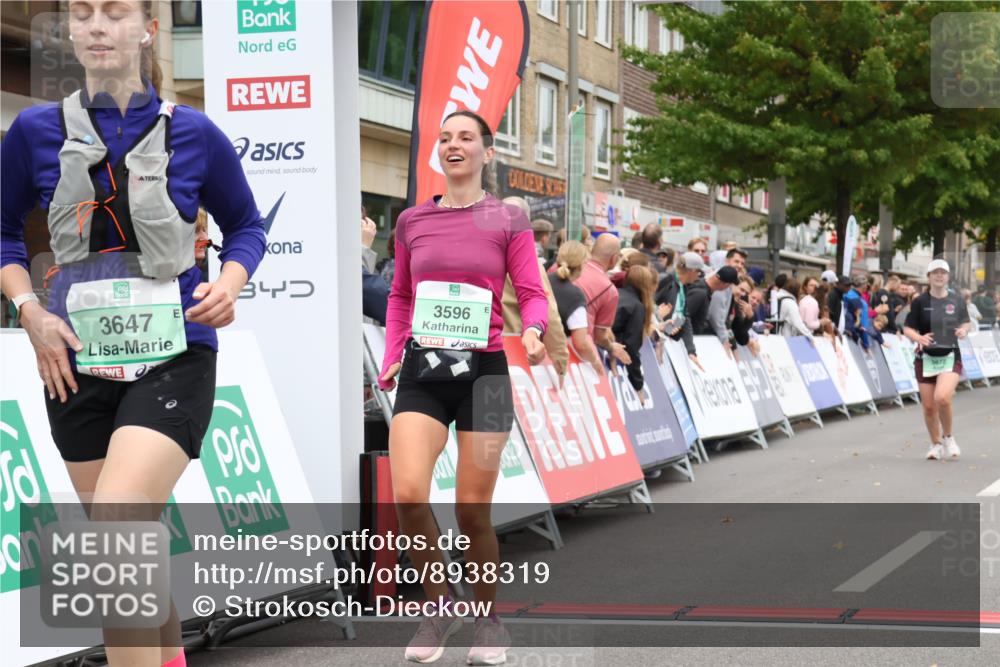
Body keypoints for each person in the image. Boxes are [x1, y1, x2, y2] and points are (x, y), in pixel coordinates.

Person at [0, 2, 267, 665]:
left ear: (147, 28)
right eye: (83, 13)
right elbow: (4, 232)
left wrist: (228, 284)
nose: (96, 26)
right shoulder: (32, 130)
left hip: (174, 355)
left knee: (116, 532)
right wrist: (29, 310)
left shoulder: (195, 133)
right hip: (73, 360)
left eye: (114, 13)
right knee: (130, 548)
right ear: (68, 31)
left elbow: (247, 226)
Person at [376, 110, 547, 664]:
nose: (453, 144)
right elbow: (400, 295)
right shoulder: (411, 222)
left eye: (465, 137)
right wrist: (392, 355)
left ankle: (489, 623)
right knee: (407, 494)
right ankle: (437, 609)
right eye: (445, 138)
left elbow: (532, 291)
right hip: (423, 373)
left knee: (473, 510)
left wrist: (538, 331)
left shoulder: (508, 219)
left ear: (486, 152)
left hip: (488, 375)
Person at [902, 259, 972, 461]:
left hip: (950, 355)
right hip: (926, 358)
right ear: (929, 277)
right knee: (929, 407)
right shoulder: (920, 302)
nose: (939, 276)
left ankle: (949, 437)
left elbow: (966, 322)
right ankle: (935, 444)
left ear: (948, 276)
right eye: (935, 273)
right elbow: (907, 328)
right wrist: (919, 338)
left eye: (943, 272)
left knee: (942, 397)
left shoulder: (956, 300)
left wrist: (963, 330)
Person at [500, 197, 568, 379]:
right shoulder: (529, 263)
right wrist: (560, 360)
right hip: (513, 355)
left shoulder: (481, 256)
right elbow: (548, 314)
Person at [575, 233, 631, 367]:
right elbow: (599, 336)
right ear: (614, 258)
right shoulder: (609, 290)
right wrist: (611, 347)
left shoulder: (567, 267)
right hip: (578, 351)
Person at [548, 241, 603, 375]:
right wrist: (596, 362)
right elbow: (581, 342)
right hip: (556, 363)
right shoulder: (575, 296)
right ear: (581, 266)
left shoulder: (542, 280)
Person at [843, 274, 873, 350]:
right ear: (864, 286)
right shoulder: (857, 300)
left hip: (846, 331)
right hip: (852, 335)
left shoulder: (847, 294)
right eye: (867, 285)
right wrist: (866, 344)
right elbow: (861, 322)